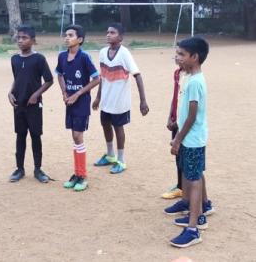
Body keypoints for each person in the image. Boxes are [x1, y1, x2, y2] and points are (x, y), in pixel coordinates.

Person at [167, 37, 211, 248]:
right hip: (192, 138)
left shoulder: (194, 82)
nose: (178, 58)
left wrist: (178, 139)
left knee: (193, 180)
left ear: (195, 57)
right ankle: (199, 213)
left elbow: (193, 115)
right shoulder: (191, 77)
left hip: (191, 139)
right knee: (193, 174)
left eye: (182, 54)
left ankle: (193, 229)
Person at [92, 22, 149, 174]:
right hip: (106, 99)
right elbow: (102, 76)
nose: (108, 35)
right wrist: (98, 97)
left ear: (121, 37)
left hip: (120, 102)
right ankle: (110, 155)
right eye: (107, 32)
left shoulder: (125, 54)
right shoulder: (103, 52)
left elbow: (137, 75)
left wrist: (143, 101)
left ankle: (121, 160)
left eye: (112, 32)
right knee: (105, 124)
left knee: (118, 128)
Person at [55, 25, 100, 191]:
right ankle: (77, 173)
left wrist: (77, 94)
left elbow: (96, 79)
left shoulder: (84, 58)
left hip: (81, 102)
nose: (67, 38)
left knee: (77, 136)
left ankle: (83, 176)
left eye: (71, 35)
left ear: (79, 40)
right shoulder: (61, 56)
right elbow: (59, 74)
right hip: (69, 102)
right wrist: (64, 92)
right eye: (66, 35)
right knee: (74, 137)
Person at [7, 25, 53, 183]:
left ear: (33, 41)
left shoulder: (39, 59)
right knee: (20, 136)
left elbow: (49, 80)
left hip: (34, 105)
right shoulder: (14, 59)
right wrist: (10, 92)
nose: (20, 40)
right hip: (18, 105)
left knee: (35, 136)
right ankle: (19, 169)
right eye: (18, 38)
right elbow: (17, 78)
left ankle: (38, 169)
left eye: (24, 38)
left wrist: (36, 95)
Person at [161, 61, 187, 199]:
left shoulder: (191, 78)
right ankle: (180, 186)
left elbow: (188, 104)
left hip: (185, 123)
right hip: (176, 121)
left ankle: (187, 191)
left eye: (181, 54)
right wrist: (170, 117)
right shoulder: (177, 73)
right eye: (177, 54)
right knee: (178, 157)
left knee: (187, 159)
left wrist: (179, 121)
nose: (177, 57)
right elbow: (175, 96)